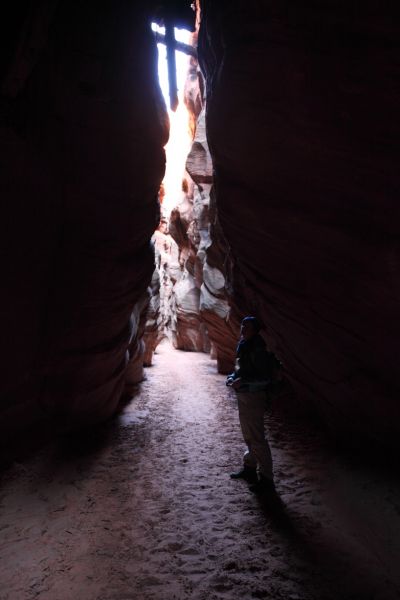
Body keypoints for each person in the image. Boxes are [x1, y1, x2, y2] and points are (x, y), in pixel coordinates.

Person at [226, 316, 280, 494]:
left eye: (246, 327)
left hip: (254, 396)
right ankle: (250, 468)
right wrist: (233, 378)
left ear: (255, 329)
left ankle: (266, 479)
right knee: (248, 434)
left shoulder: (258, 347)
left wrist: (242, 381)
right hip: (244, 394)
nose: (242, 329)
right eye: (242, 326)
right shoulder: (244, 345)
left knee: (257, 437)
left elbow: (262, 376)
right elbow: (239, 368)